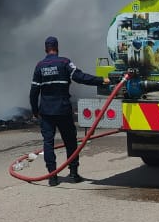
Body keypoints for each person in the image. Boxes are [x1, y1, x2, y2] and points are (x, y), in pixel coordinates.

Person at [30, 35, 105, 186]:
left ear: (46, 49)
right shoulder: (64, 62)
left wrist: (35, 110)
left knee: (48, 143)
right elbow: (80, 77)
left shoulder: (39, 66)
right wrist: (101, 80)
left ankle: (52, 177)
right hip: (63, 109)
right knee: (70, 141)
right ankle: (73, 173)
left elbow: (34, 91)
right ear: (57, 48)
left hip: (46, 111)